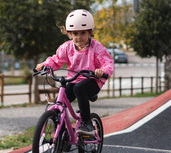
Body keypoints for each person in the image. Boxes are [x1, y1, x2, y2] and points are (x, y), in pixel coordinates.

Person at [35, 9, 114, 138]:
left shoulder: (96, 47)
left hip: (92, 80)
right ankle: (60, 135)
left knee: (79, 88)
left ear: (90, 32)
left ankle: (87, 124)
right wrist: (45, 65)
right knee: (57, 106)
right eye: (75, 33)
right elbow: (56, 60)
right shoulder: (67, 47)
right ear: (70, 34)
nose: (79, 37)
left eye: (83, 33)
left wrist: (102, 71)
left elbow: (108, 63)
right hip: (73, 80)